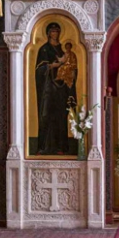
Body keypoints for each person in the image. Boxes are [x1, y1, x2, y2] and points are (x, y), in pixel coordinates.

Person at [35, 23, 76, 155]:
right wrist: (51, 66)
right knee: (46, 114)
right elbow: (39, 69)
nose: (55, 34)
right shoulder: (44, 49)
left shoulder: (63, 50)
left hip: (61, 88)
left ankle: (61, 147)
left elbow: (71, 66)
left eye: (57, 31)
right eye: (53, 31)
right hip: (47, 87)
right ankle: (43, 147)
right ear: (48, 33)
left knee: (60, 115)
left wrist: (69, 70)